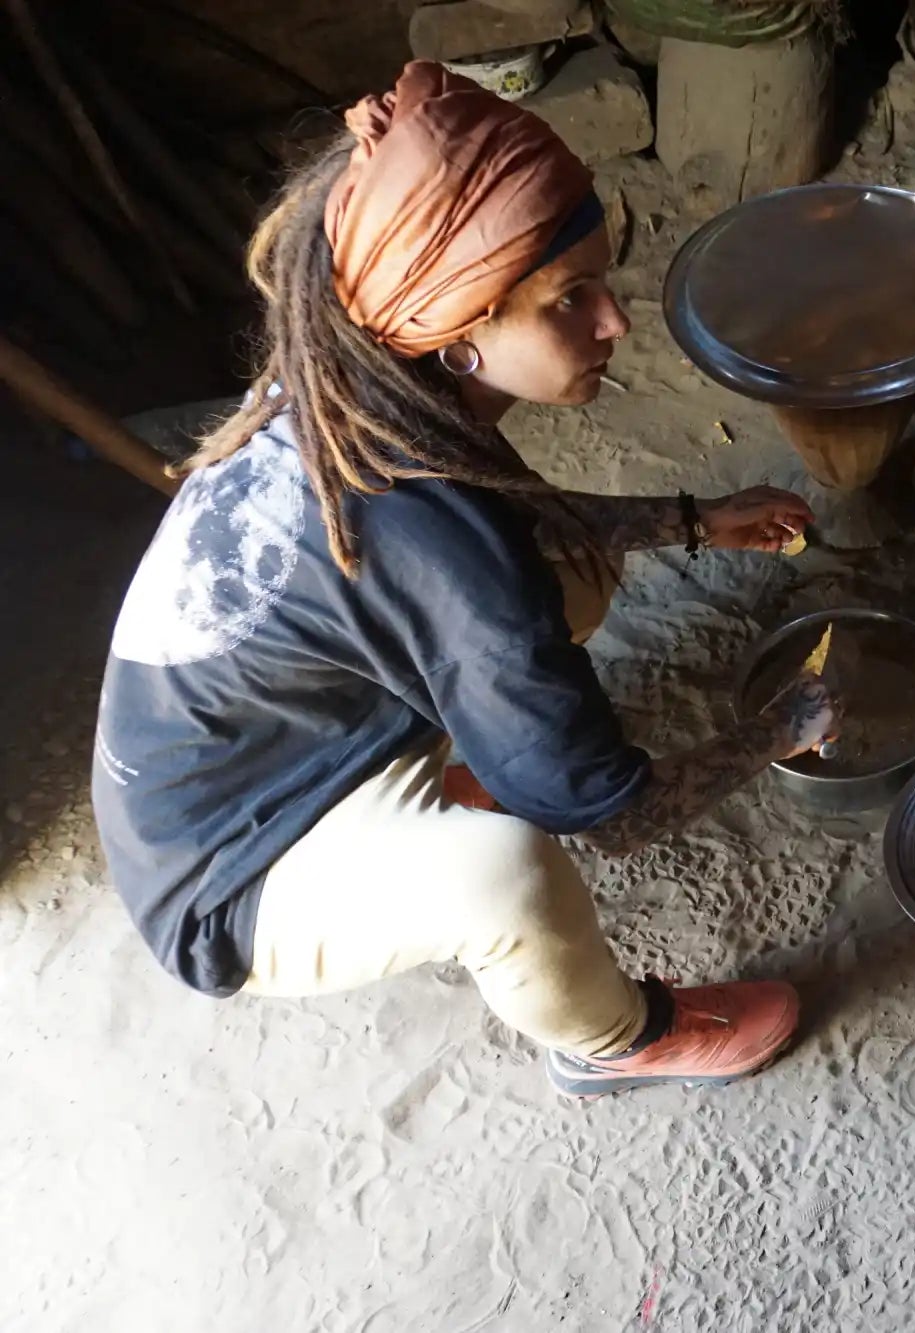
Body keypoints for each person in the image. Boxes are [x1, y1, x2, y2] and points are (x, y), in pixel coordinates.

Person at [92, 63, 840, 1096]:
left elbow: (510, 527)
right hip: (229, 872)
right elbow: (612, 818)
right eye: (568, 301)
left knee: (564, 576)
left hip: (271, 739)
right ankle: (617, 1043)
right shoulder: (440, 544)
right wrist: (782, 727)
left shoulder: (356, 379)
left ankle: (455, 777)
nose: (614, 324)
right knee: (506, 872)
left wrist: (690, 521)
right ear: (457, 336)